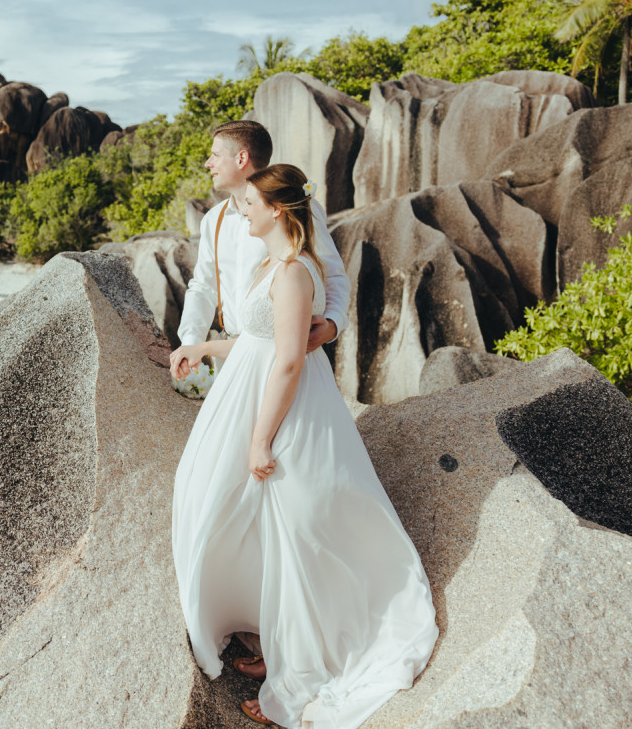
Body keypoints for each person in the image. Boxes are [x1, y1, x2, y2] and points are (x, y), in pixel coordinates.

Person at [171, 164, 438, 728]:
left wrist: (261, 439)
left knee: (296, 527)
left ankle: (303, 673)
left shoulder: (293, 273)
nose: (240, 211)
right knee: (269, 527)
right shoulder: (274, 264)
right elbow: (258, 342)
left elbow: (290, 360)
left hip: (284, 411)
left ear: (276, 210)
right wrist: (203, 349)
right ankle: (279, 638)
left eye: (248, 204)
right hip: (253, 392)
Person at [170, 120, 349, 380]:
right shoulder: (214, 220)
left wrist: (333, 324)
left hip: (283, 355)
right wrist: (190, 343)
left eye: (215, 155)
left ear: (241, 158)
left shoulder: (298, 210)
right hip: (230, 357)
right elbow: (203, 286)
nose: (209, 163)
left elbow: (333, 274)